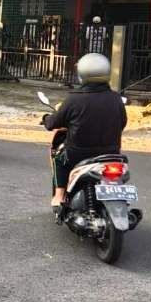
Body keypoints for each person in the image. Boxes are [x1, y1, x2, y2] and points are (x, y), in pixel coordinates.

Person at [43, 53, 127, 211]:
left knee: (59, 157)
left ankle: (59, 195)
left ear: (82, 74)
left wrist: (46, 119)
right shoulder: (116, 98)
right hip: (111, 154)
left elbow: (53, 123)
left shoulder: (74, 99)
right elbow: (122, 123)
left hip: (78, 154)